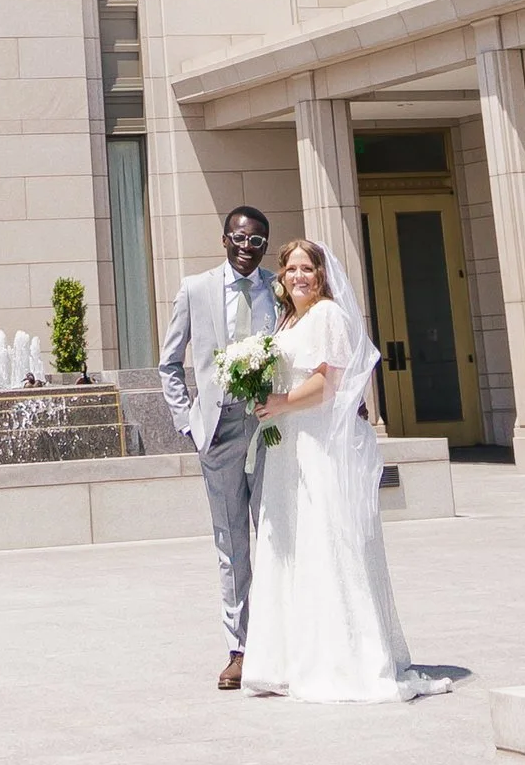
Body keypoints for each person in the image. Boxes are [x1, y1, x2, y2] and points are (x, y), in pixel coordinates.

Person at [243, 237, 447, 704]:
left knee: (322, 542)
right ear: (281, 276)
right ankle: (288, 659)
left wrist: (281, 403)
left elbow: (328, 383)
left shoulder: (328, 316)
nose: (299, 276)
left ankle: (340, 657)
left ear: (321, 276)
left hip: (315, 442)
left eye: (307, 269)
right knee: (288, 543)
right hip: (287, 445)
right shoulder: (288, 320)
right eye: (291, 269)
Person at [158, 204, 279, 688]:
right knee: (232, 543)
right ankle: (241, 649)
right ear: (225, 239)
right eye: (241, 238)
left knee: (276, 535)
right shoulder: (196, 289)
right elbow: (169, 364)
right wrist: (189, 423)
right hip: (220, 428)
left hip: (272, 428)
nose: (248, 249)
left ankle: (282, 639)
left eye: (258, 242)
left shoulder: (278, 286)